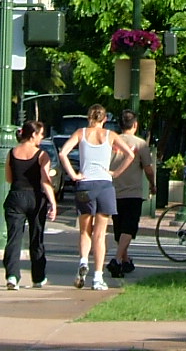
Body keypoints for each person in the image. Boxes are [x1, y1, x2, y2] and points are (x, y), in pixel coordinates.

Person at [59, 105, 135, 290]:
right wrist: (116, 173)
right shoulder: (110, 135)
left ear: (88, 117)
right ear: (105, 119)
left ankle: (83, 261)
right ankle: (97, 277)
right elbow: (130, 154)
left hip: (85, 185)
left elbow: (62, 153)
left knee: (85, 231)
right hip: (104, 185)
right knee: (100, 235)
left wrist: (74, 174)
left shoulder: (81, 133)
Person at [2, 120, 57, 291]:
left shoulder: (12, 153)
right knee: (36, 238)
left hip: (16, 196)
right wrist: (53, 203)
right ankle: (38, 277)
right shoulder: (42, 155)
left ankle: (12, 276)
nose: (42, 137)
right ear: (33, 135)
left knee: (13, 238)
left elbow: (9, 178)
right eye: (41, 134)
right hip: (36, 198)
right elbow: (45, 181)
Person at [107, 109, 156, 279]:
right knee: (129, 228)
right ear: (135, 125)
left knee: (119, 228)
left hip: (113, 191)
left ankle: (125, 260)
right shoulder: (140, 144)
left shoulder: (112, 141)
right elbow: (148, 169)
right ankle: (117, 260)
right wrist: (152, 184)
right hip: (133, 192)